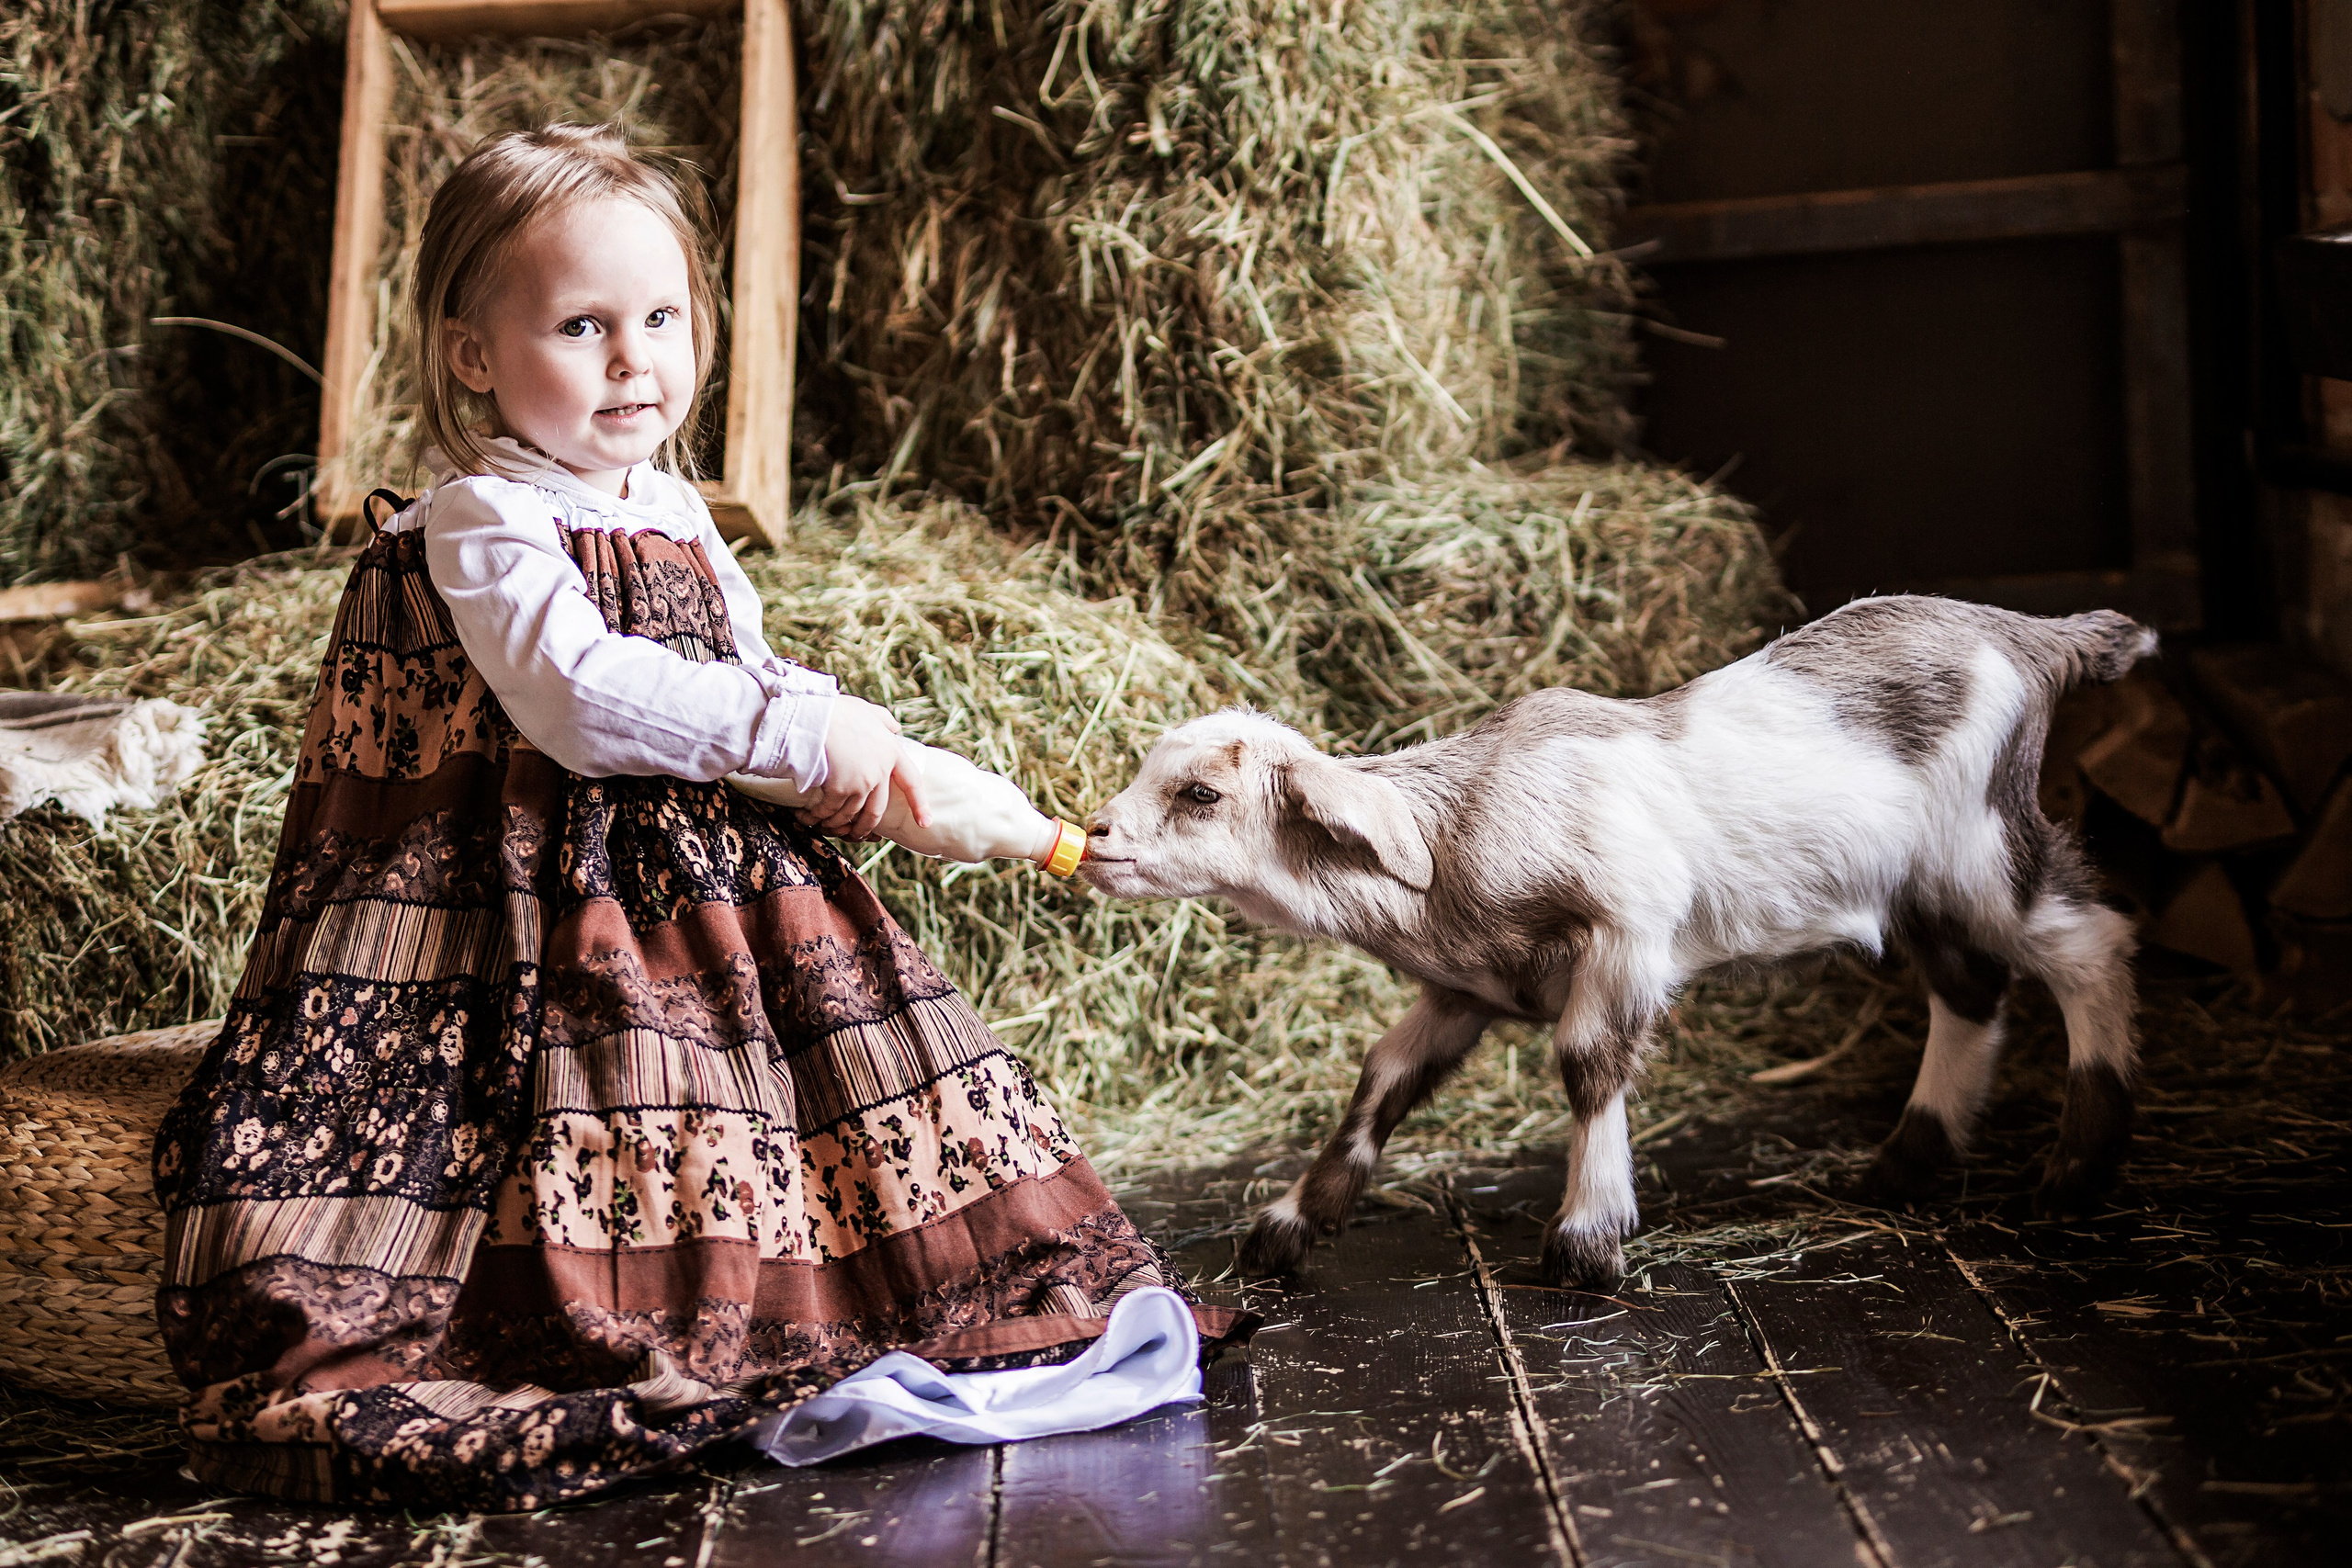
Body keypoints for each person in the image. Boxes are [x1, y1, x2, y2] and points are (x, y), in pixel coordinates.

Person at [151, 122, 1243, 1512]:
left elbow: (737, 669)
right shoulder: (479, 518)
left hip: (708, 863)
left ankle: (862, 1291)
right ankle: (660, 1301)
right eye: (582, 325)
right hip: (540, 889)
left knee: (828, 1055)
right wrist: (795, 735)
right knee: (630, 1076)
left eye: (663, 317)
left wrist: (867, 762)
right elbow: (581, 699)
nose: (634, 360)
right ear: (473, 354)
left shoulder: (673, 507)